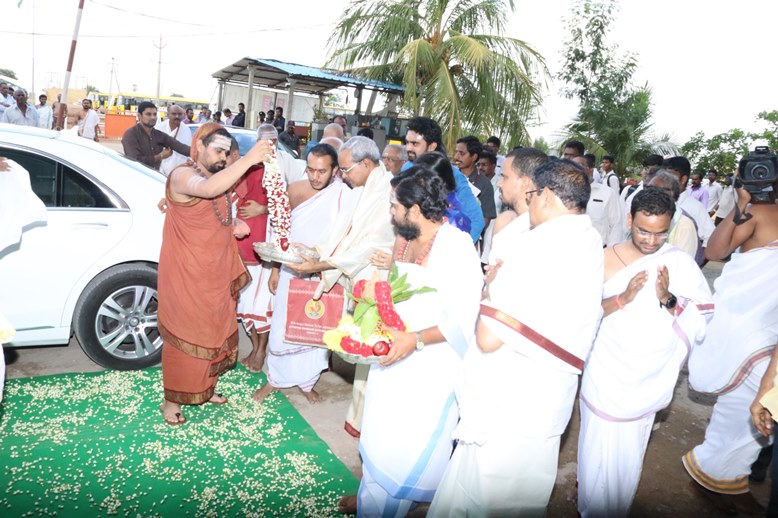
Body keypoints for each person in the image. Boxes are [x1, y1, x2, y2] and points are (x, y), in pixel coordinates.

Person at [428, 159, 604, 517]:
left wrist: (490, 287)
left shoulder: (538, 248)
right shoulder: (587, 238)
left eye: (534, 194)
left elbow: (489, 337)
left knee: (483, 498)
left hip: (510, 407)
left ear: (547, 197)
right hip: (546, 402)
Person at [350, 169, 482, 516]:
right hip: (395, 354)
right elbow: (398, 292)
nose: (390, 212)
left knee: (408, 447)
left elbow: (464, 318)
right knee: (381, 436)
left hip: (432, 363)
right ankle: (369, 504)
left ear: (415, 210)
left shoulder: (456, 246)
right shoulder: (404, 240)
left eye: (395, 206)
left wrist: (416, 339)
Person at [577, 187, 713, 517]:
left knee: (629, 450)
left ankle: (616, 507)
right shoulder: (604, 257)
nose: (652, 241)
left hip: (648, 376)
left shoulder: (677, 262)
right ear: (629, 220)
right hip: (606, 370)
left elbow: (702, 316)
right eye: (643, 231)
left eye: (660, 233)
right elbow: (581, 314)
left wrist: (666, 296)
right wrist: (623, 297)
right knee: (596, 443)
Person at [157, 123, 271, 425]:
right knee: (185, 336)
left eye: (228, 152)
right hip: (186, 273)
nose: (224, 157)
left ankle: (206, 389)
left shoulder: (216, 177)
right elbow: (204, 191)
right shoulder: (183, 174)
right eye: (218, 150)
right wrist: (250, 158)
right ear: (198, 147)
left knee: (215, 331)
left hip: (215, 271)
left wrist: (233, 226)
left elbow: (216, 208)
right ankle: (171, 401)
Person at [287, 136, 395, 438]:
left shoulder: (389, 192)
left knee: (376, 352)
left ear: (367, 164)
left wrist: (320, 266)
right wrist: (314, 251)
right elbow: (341, 233)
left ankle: (371, 423)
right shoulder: (359, 189)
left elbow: (369, 247)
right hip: (358, 280)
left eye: (345, 169)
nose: (342, 176)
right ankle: (359, 419)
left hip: (378, 283)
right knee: (364, 353)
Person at [684, 176, 778, 513]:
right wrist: (741, 203)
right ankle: (718, 475)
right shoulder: (757, 213)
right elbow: (714, 251)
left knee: (752, 410)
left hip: (768, 331)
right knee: (750, 406)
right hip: (747, 331)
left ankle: (720, 476)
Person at [252, 144, 350, 404]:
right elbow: (278, 233)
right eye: (310, 170)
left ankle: (307, 381)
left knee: (317, 328)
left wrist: (328, 267)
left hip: (323, 274)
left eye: (322, 171)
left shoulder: (344, 196)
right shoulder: (294, 190)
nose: (315, 177)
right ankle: (275, 379)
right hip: (289, 268)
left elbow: (348, 239)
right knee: (283, 324)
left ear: (335, 171)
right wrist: (274, 269)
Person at [404, 116, 484, 243]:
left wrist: (457, 251)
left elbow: (477, 220)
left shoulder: (452, 175)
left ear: (432, 146)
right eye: (407, 142)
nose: (408, 148)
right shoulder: (406, 169)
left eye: (415, 144)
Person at [233, 140, 271, 374]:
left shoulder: (266, 171)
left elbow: (285, 206)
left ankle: (261, 351)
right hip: (238, 252)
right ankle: (255, 348)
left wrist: (263, 209)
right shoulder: (225, 175)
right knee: (247, 305)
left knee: (261, 305)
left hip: (263, 252)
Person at [122, 101, 191, 171]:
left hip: (154, 177)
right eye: (148, 114)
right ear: (139, 116)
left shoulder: (158, 134)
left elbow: (179, 146)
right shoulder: (131, 134)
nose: (153, 117)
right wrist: (160, 156)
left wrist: (198, 152)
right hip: (137, 177)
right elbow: (134, 160)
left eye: (154, 114)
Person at [647, 170, 700, 261]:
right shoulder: (645, 217)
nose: (649, 194)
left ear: (672, 194)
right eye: (648, 189)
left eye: (655, 190)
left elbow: (682, 265)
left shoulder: (684, 225)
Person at [574, 154, 625, 247]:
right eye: (571, 167)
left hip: (601, 251)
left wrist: (610, 253)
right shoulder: (564, 194)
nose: (575, 170)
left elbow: (616, 224)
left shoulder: (608, 193)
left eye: (580, 166)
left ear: (591, 170)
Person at [456, 135, 496, 240]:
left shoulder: (485, 184)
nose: (456, 157)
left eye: (461, 153)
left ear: (474, 157)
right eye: (456, 152)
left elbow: (485, 219)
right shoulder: (449, 176)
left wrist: (468, 239)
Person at [154, 104, 193, 176]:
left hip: (179, 173)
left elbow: (188, 152)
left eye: (179, 114)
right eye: (174, 114)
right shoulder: (159, 128)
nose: (177, 116)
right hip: (159, 171)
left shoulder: (186, 130)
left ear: (183, 115)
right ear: (168, 115)